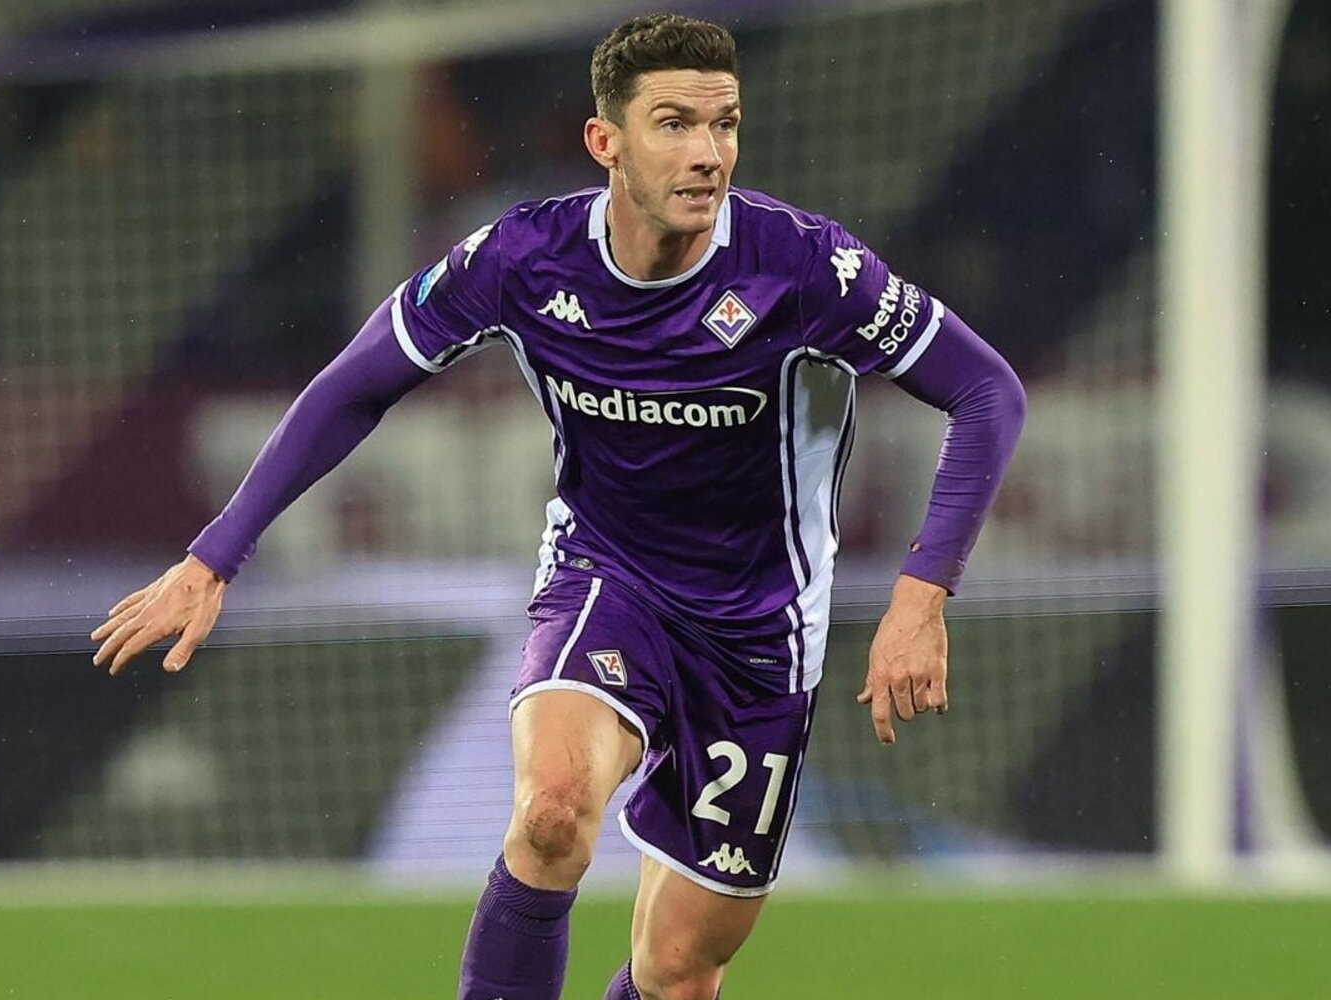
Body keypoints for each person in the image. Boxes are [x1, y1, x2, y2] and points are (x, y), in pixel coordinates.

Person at [90, 12, 1025, 1000]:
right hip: (606, 578)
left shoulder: (801, 267)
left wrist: (920, 596)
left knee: (678, 971)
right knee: (551, 812)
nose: (707, 153)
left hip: (760, 629)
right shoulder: (523, 259)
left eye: (724, 124)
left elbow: (986, 392)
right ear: (604, 141)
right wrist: (214, 557)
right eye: (674, 124)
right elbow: (356, 385)